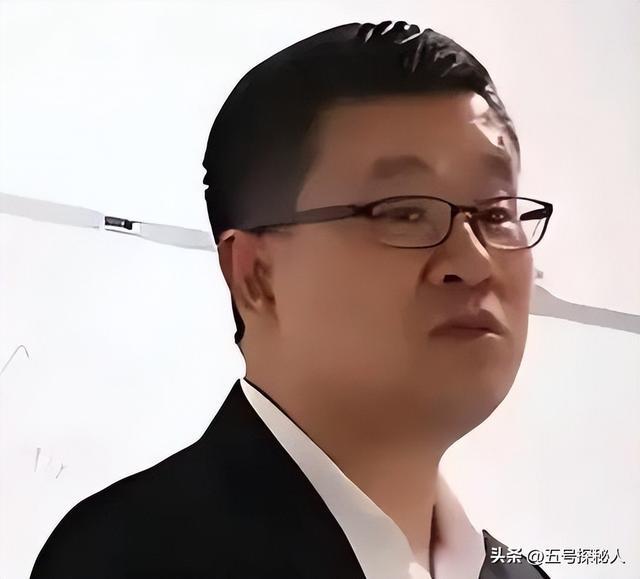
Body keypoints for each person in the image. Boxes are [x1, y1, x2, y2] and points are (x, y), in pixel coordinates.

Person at [30, 20, 554, 579]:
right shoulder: (127, 557)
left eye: (496, 212)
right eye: (403, 212)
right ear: (257, 276)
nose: (473, 262)